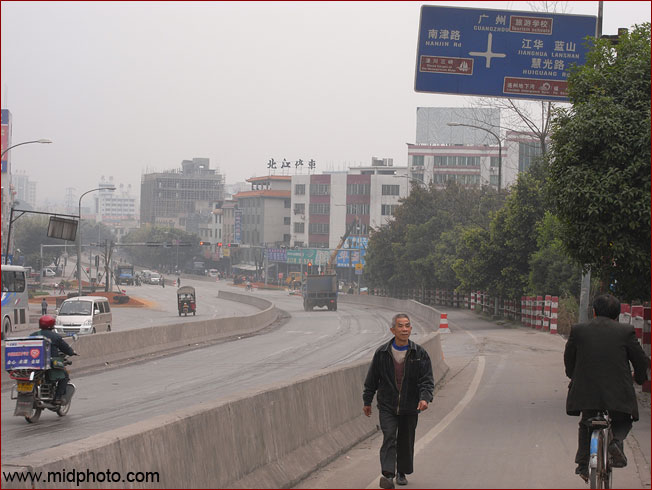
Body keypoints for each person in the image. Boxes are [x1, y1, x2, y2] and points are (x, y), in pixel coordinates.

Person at [564, 294, 650, 483]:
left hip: (586, 391)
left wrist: (574, 376)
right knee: (623, 419)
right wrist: (640, 378)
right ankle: (616, 442)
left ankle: (582, 464)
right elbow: (640, 360)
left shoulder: (578, 330)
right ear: (617, 315)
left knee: (586, 422)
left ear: (594, 312)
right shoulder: (625, 331)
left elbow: (569, 360)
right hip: (618, 392)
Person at [363, 313, 434, 489]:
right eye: (400, 326)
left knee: (405, 439)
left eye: (407, 326)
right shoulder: (382, 353)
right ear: (393, 330)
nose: (404, 329)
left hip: (410, 405)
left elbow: (426, 379)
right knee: (389, 436)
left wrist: (425, 398)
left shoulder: (419, 353)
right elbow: (372, 379)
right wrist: (367, 400)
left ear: (410, 329)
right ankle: (388, 475)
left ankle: (401, 472)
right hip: (387, 404)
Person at [31, 315, 77, 405]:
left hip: (34, 363)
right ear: (52, 325)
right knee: (64, 376)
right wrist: (72, 352)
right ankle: (57, 398)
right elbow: (66, 349)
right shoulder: (55, 337)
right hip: (50, 363)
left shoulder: (33, 335)